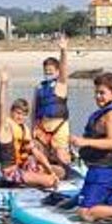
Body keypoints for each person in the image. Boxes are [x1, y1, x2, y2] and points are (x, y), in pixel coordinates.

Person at [71, 72, 112, 221]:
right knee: (109, 212)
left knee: (85, 212)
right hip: (103, 172)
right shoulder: (108, 111)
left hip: (104, 172)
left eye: (102, 93)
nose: (98, 96)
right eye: (96, 93)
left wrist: (83, 142)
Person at [0, 69, 59, 188]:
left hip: (23, 169)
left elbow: (37, 154)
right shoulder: (5, 127)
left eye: (23, 114)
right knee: (50, 181)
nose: (20, 117)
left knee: (59, 172)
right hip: (10, 174)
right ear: (11, 112)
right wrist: (3, 84)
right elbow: (1, 105)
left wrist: (51, 171)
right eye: (17, 113)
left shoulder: (24, 130)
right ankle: (40, 181)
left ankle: (40, 179)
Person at [32, 33, 71, 171]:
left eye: (50, 71)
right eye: (46, 71)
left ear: (57, 71)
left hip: (58, 126)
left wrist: (63, 51)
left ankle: (67, 171)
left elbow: (64, 70)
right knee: (37, 154)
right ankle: (41, 173)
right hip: (41, 127)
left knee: (60, 155)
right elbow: (34, 110)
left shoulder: (61, 85)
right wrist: (32, 129)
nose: (48, 73)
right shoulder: (39, 87)